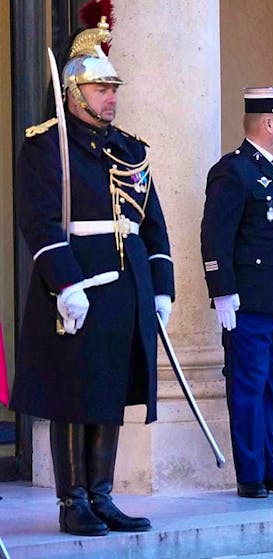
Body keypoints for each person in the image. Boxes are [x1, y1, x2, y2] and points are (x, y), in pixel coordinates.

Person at [10, 14, 173, 535]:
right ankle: (72, 501)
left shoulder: (129, 148)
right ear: (74, 92)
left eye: (112, 88)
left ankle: (102, 496)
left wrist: (162, 286)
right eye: (100, 88)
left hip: (126, 290)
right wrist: (66, 282)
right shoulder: (45, 145)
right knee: (73, 396)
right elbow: (39, 219)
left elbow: (152, 223)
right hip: (76, 290)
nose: (110, 97)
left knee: (108, 394)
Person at [200, 87, 273, 498]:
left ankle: (271, 466)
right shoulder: (234, 171)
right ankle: (250, 473)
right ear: (269, 123)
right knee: (248, 386)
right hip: (251, 304)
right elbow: (216, 235)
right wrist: (222, 291)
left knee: (272, 387)